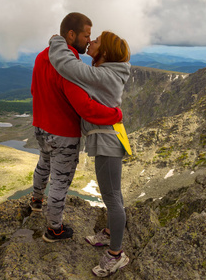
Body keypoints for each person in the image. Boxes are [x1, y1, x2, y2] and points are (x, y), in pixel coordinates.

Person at [30, 12, 123, 244]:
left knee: (44, 163)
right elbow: (84, 107)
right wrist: (115, 114)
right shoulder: (69, 65)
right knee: (60, 180)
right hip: (63, 132)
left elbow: (34, 89)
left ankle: (35, 200)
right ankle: (55, 229)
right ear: (71, 35)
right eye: (86, 35)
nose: (88, 41)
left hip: (41, 126)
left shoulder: (43, 56)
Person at [48, 31, 131, 277]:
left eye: (96, 42)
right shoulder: (110, 73)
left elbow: (68, 66)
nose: (91, 41)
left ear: (104, 53)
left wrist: (57, 40)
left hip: (107, 141)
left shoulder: (103, 75)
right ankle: (108, 234)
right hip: (109, 138)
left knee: (112, 197)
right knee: (113, 193)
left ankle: (116, 254)